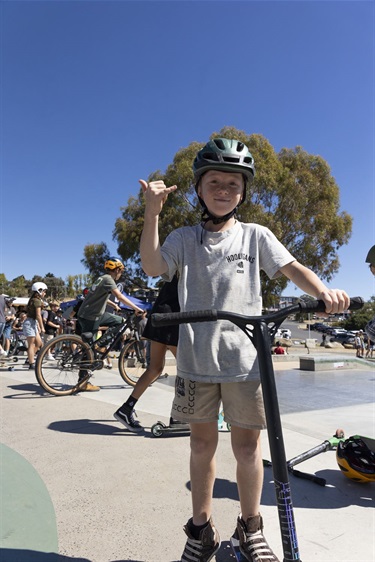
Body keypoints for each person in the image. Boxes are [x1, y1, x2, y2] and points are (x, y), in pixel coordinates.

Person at [139, 137, 350, 562]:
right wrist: (152, 212)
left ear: (243, 192)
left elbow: (293, 268)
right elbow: (152, 266)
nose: (223, 190)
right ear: (199, 189)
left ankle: (250, 527)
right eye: (214, 182)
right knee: (201, 447)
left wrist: (325, 292)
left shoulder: (256, 235)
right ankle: (200, 530)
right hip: (197, 362)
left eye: (233, 184)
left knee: (249, 450)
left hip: (246, 364)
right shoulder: (184, 237)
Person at [113, 275, 179, 432]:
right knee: (185, 370)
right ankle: (177, 417)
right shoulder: (190, 266)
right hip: (173, 317)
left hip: (159, 316)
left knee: (154, 369)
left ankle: (126, 409)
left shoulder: (174, 269)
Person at [76, 257, 144, 391]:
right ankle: (83, 381)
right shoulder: (109, 280)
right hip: (92, 316)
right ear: (117, 269)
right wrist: (137, 308)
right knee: (88, 350)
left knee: (120, 321)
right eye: (121, 271)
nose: (121, 274)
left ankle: (99, 345)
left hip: (92, 314)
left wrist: (114, 305)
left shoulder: (102, 278)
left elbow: (98, 297)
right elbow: (119, 296)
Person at [23, 282, 47, 369]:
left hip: (33, 322)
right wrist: (42, 327)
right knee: (31, 344)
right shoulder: (36, 301)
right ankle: (31, 363)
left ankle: (30, 358)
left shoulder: (35, 300)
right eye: (44, 291)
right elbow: (38, 315)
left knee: (39, 343)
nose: (45, 293)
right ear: (39, 290)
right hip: (30, 323)